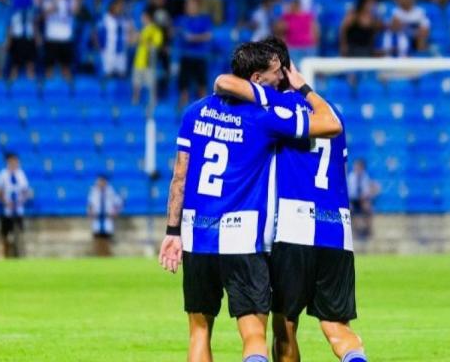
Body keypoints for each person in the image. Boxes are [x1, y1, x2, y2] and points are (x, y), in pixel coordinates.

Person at [157, 41, 343, 362]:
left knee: (199, 331)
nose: (281, 79)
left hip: (197, 237)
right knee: (254, 334)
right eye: (275, 74)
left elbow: (179, 177)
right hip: (242, 237)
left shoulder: (194, 112)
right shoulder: (264, 117)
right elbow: (330, 125)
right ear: (256, 79)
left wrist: (172, 232)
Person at [212, 36, 368, 362]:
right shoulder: (331, 111)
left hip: (295, 229)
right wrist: (306, 87)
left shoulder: (274, 106)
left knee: (285, 327)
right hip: (338, 231)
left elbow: (225, 83)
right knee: (338, 329)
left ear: (278, 71)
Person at [176, 0, 213, 107]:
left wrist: (193, 37)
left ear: (197, 7)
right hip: (186, 56)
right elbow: (185, 37)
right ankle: (182, 108)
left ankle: (205, 108)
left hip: (200, 57)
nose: (190, 8)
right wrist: (199, 37)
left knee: (202, 84)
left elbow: (208, 36)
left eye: (192, 6)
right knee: (183, 83)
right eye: (188, 6)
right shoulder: (181, 20)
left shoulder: (205, 20)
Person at [0, 152, 33, 258]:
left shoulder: (21, 174)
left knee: (19, 234)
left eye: (15, 161)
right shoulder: (2, 174)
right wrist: (5, 201)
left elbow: (26, 191)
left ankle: (19, 255)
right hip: (6, 211)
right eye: (11, 161)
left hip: (19, 210)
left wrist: (21, 201)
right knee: (5, 236)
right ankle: (6, 255)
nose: (13, 163)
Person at [132, 10, 164, 105]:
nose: (141, 19)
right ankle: (135, 103)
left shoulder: (156, 31)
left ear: (148, 17)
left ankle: (154, 106)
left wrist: (141, 39)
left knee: (151, 86)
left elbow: (155, 46)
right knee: (136, 85)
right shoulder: (142, 30)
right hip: (138, 62)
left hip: (149, 63)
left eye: (143, 17)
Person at [88, 174, 123, 257]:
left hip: (107, 217)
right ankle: (97, 253)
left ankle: (106, 253)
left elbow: (118, 202)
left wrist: (115, 212)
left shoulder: (111, 191)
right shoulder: (94, 191)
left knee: (107, 236)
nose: (100, 183)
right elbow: (90, 204)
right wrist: (91, 211)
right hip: (97, 217)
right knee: (97, 235)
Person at [347, 158, 379, 244]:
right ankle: (355, 231)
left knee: (367, 207)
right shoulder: (350, 177)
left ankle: (367, 230)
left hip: (364, 199)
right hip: (353, 200)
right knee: (349, 209)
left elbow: (375, 188)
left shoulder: (367, 176)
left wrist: (368, 195)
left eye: (358, 166)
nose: (357, 168)